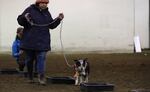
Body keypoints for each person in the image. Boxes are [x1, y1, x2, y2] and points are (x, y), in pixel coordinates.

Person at [17, 0, 64, 85]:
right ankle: (30, 77)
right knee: (29, 60)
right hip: (29, 41)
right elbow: (20, 21)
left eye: (46, 3)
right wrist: (24, 17)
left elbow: (51, 25)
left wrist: (58, 19)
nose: (45, 5)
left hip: (43, 42)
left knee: (41, 59)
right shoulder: (29, 9)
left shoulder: (47, 13)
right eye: (43, 3)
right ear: (38, 3)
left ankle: (41, 78)